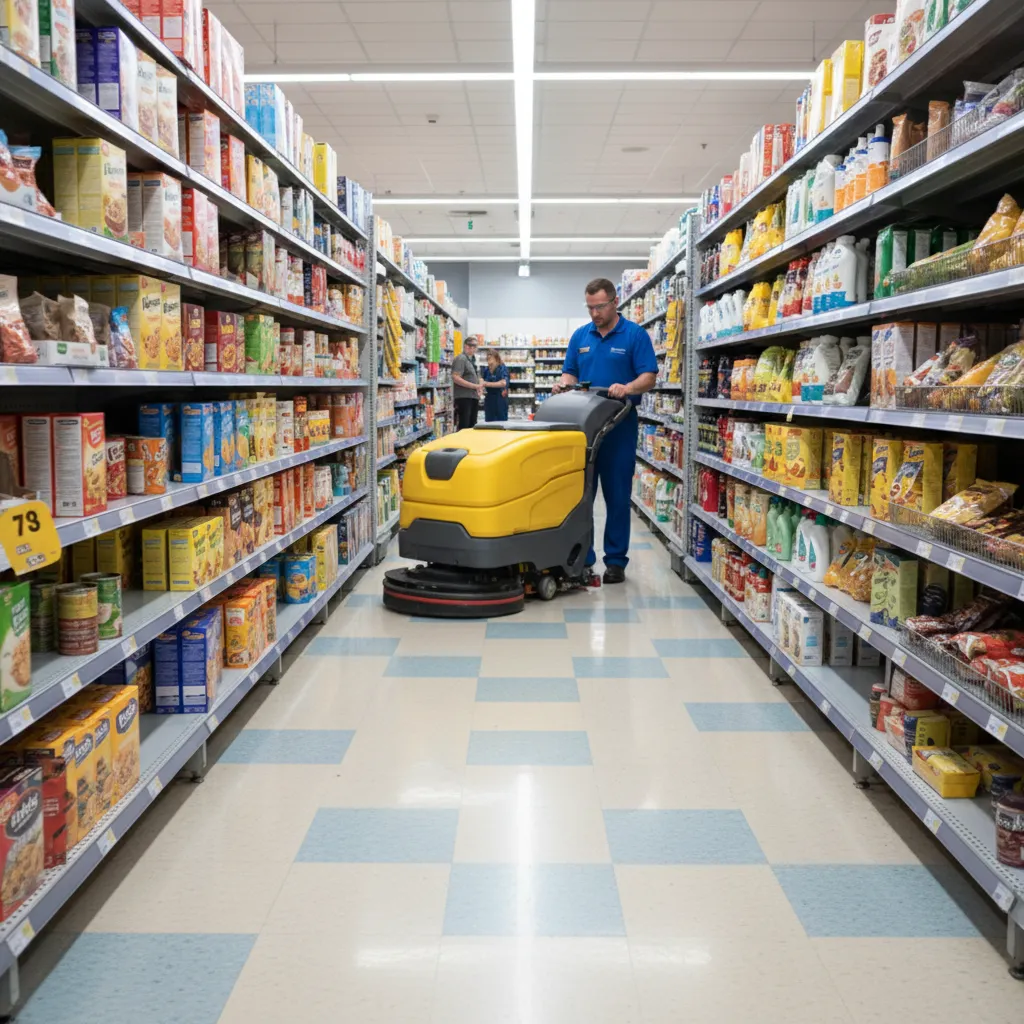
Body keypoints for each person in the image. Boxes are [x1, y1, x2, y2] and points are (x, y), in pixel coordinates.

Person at [553, 277, 657, 584]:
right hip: (583, 427)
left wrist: (627, 387)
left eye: (599, 306)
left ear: (614, 302)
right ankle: (583, 558)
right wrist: (564, 384)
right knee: (581, 496)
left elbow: (649, 376)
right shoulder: (580, 336)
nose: (594, 313)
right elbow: (570, 372)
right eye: (589, 307)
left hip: (619, 427)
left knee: (617, 496)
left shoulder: (634, 335)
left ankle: (615, 562)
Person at [452, 336, 484, 431]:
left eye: (475, 346)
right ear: (465, 346)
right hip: (464, 397)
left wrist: (479, 386)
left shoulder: (472, 360)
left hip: (473, 396)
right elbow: (455, 377)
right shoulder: (461, 358)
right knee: (464, 425)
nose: (473, 348)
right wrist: (475, 386)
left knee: (472, 424)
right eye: (470, 346)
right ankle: (462, 445)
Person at [481, 348, 511, 421]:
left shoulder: (502, 368)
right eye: (487, 359)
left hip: (500, 400)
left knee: (500, 423)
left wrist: (486, 384)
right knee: (489, 423)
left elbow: (503, 383)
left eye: (491, 358)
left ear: (496, 359)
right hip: (489, 400)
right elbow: (482, 380)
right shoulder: (487, 370)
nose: (489, 361)